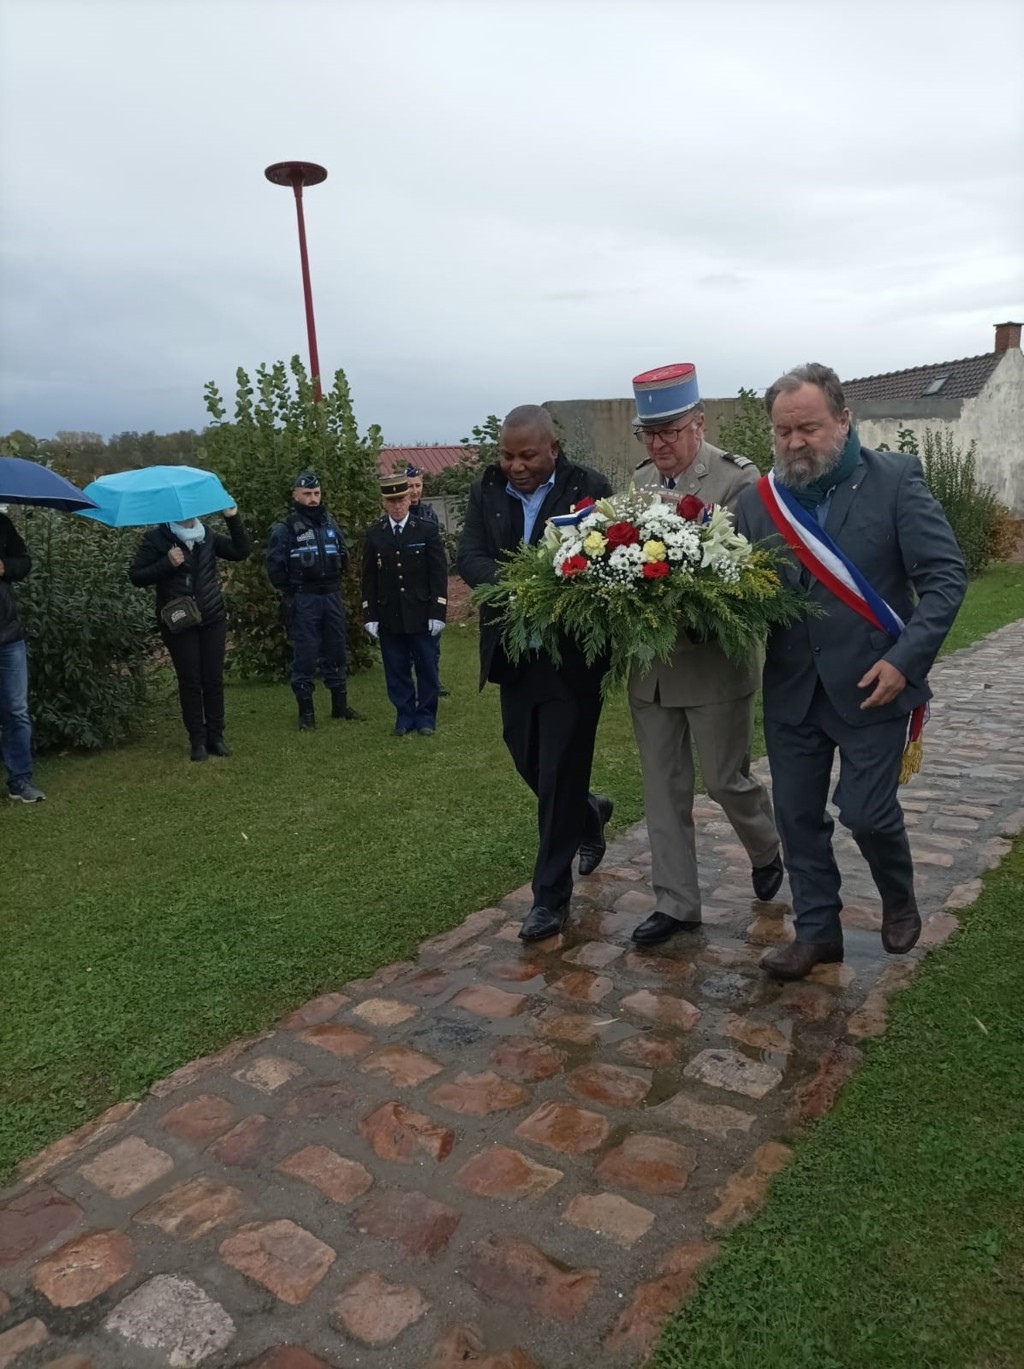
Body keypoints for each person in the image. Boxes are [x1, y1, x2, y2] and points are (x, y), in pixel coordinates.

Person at [734, 362, 967, 980]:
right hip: (792, 690)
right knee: (798, 818)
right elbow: (733, 586)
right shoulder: (759, 503)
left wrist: (904, 659)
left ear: (843, 419)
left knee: (865, 811)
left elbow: (944, 580)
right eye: (782, 432)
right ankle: (817, 934)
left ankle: (898, 894)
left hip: (874, 683)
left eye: (807, 427)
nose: (794, 443)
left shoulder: (895, 480)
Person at [627, 363, 783, 945]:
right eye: (649, 434)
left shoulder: (737, 481)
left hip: (714, 665)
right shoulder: (640, 481)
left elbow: (745, 574)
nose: (658, 445)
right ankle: (677, 904)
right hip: (652, 672)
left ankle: (766, 846)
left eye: (668, 431)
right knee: (662, 790)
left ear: (698, 423)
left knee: (724, 780)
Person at [457, 404, 614, 942]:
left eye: (527, 455)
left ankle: (550, 899)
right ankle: (589, 813)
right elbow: (469, 555)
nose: (515, 466)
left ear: (553, 448)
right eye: (506, 455)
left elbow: (606, 559)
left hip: (572, 660)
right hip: (513, 653)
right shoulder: (486, 490)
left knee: (557, 776)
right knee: (527, 758)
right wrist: (513, 586)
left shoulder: (590, 488)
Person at [130, 505, 251, 761]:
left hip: (212, 616)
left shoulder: (206, 534)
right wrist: (167, 563)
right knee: (191, 680)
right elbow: (136, 576)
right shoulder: (157, 539)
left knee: (213, 679)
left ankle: (216, 737)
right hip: (179, 620)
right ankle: (197, 739)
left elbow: (241, 551)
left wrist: (232, 518)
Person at [266, 472, 363, 730]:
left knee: (337, 649)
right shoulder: (285, 529)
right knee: (305, 654)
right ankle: (306, 713)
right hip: (304, 598)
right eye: (307, 494)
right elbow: (275, 567)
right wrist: (292, 592)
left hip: (331, 595)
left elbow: (343, 555)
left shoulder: (330, 524)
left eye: (316, 493)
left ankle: (339, 706)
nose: (312, 499)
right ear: (295, 494)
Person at [362, 473, 448, 736]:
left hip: (421, 612)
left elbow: (438, 574)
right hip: (390, 614)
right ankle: (404, 715)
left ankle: (425, 717)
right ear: (384, 503)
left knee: (426, 667)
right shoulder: (375, 535)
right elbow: (369, 578)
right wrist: (370, 613)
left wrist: (438, 610)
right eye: (392, 501)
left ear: (409, 500)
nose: (397, 506)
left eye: (401, 500)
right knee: (396, 668)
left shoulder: (426, 530)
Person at [0, 510, 44, 802]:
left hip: (7, 635)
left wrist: (5, 567)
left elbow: (24, 561)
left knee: (16, 711)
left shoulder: (1, 525)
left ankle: (20, 780)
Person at [405, 463, 449, 696]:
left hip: (428, 585)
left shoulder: (429, 515)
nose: (414, 491)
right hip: (406, 586)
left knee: (432, 636)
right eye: (410, 486)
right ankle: (409, 682)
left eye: (418, 485)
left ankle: (433, 679)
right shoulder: (399, 514)